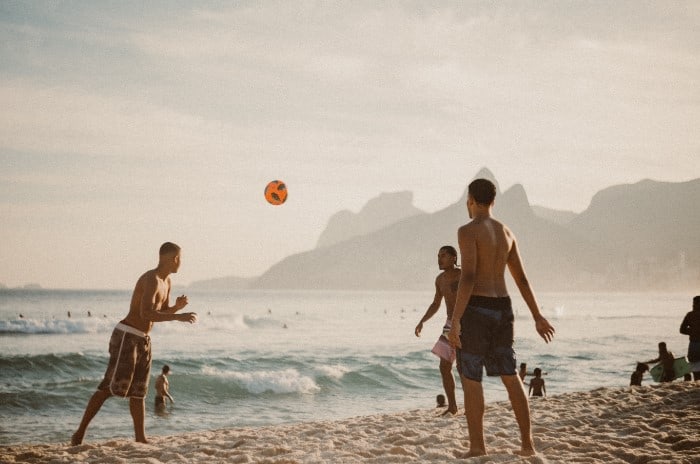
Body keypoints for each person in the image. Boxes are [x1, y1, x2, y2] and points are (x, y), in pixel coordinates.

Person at [446, 178, 555, 457]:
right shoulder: (507, 232)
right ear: (493, 201)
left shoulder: (467, 231)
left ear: (471, 200)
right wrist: (537, 315)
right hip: (503, 307)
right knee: (510, 375)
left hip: (477, 309)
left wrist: (455, 320)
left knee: (471, 379)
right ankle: (527, 445)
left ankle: (478, 447)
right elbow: (521, 278)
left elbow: (468, 276)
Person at [71, 242, 197, 445]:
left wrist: (175, 308)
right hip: (127, 336)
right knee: (109, 388)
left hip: (143, 339)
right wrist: (178, 316)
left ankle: (140, 438)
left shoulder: (167, 283)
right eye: (179, 258)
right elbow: (145, 313)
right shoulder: (152, 279)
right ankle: (79, 434)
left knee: (139, 392)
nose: (181, 262)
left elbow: (159, 314)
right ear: (172, 259)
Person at [415, 245, 461, 415]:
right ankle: (453, 406)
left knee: (464, 365)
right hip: (449, 324)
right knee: (444, 366)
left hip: (466, 323)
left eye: (443, 256)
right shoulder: (440, 279)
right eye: (438, 256)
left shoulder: (463, 275)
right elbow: (436, 304)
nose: (439, 259)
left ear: (454, 258)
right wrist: (422, 321)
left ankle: (472, 403)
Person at [679, 296, 700, 381]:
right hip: (694, 343)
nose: (693, 305)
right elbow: (682, 330)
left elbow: (682, 330)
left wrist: (692, 331)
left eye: (695, 304)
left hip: (694, 343)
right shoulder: (690, 315)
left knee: (695, 367)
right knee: (695, 367)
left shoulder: (690, 315)